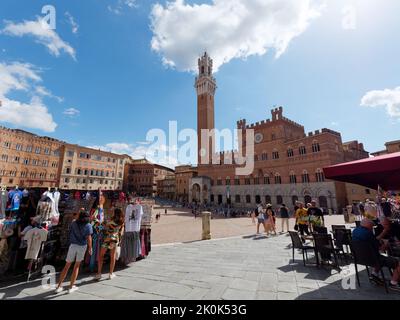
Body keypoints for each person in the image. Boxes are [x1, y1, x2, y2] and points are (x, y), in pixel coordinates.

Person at [352, 219, 400, 291]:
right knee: (397, 262)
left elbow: (372, 241)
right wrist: (386, 244)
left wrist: (382, 234)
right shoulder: (368, 233)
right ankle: (393, 283)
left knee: (380, 257)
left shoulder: (355, 231)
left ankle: (374, 274)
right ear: (368, 226)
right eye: (371, 226)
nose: (372, 228)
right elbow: (380, 248)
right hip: (373, 259)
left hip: (359, 259)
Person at [55, 210, 93, 294]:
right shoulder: (88, 225)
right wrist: (90, 248)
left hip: (73, 245)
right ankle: (71, 287)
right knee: (76, 266)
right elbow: (89, 238)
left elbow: (75, 218)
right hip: (82, 246)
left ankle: (59, 286)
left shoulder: (74, 223)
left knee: (66, 266)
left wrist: (78, 213)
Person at [95, 208, 124, 281]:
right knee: (112, 257)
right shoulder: (121, 222)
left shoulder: (109, 222)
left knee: (101, 256)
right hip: (114, 240)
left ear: (115, 213)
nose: (111, 212)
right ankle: (111, 274)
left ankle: (99, 273)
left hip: (107, 239)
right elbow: (121, 232)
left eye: (113, 211)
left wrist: (96, 222)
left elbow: (100, 228)